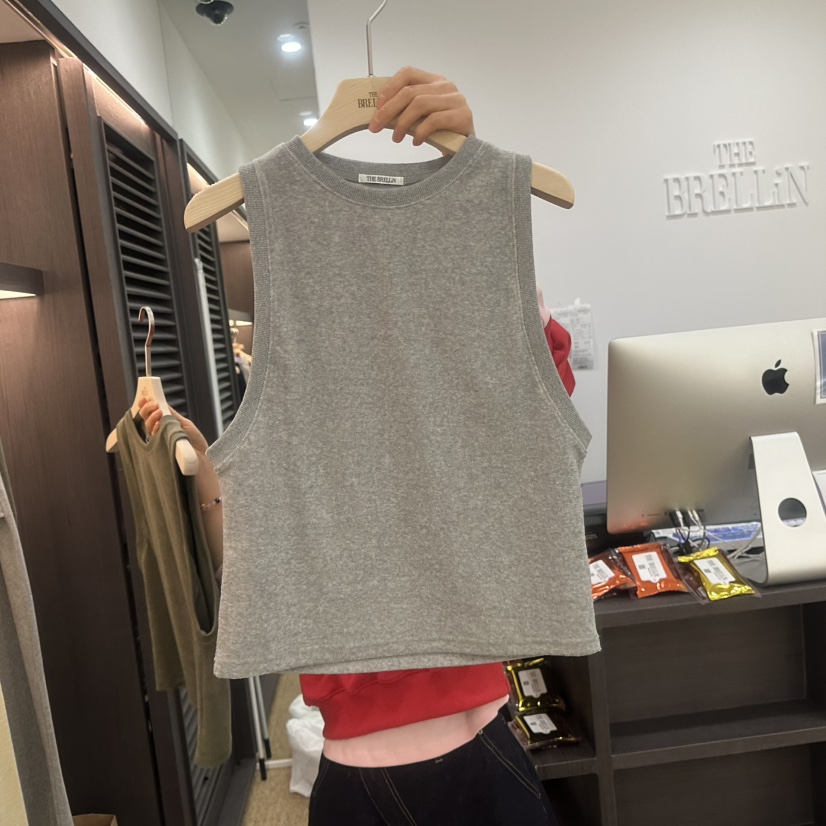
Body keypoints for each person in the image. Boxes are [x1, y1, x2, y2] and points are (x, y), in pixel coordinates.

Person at [138, 67, 571, 825]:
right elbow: (254, 551)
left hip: (472, 742)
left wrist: (473, 191)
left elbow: (543, 417)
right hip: (376, 765)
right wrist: (206, 470)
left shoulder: (473, 286)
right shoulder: (288, 261)